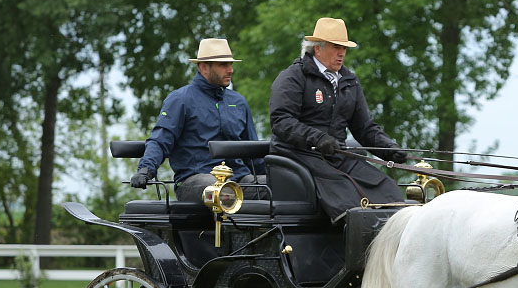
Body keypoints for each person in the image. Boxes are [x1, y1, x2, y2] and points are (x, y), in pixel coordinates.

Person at [269, 18, 407, 222]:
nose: (341, 53)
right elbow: (281, 121)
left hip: (336, 155)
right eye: (336, 47)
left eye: (344, 47)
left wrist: (388, 148)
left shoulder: (349, 81)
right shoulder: (293, 76)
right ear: (318, 48)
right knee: (349, 197)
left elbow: (364, 128)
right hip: (298, 155)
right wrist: (317, 138)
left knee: (388, 191)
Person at [133, 38, 266, 202]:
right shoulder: (180, 100)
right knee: (221, 189)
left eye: (231, 64)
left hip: (238, 178)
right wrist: (145, 170)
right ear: (204, 67)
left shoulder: (238, 102)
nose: (230, 70)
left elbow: (253, 151)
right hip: (194, 181)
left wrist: (275, 176)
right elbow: (161, 140)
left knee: (280, 186)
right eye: (223, 65)